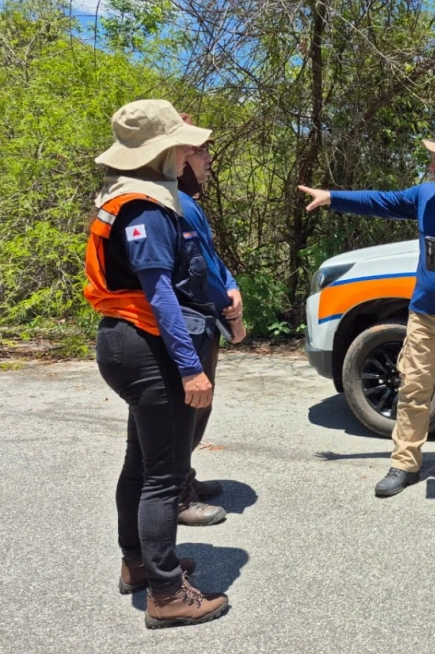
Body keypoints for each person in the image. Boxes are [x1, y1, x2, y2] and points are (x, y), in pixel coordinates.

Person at [298, 130, 435, 497]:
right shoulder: (425, 196)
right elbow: (380, 201)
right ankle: (404, 463)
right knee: (414, 390)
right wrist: (332, 197)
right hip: (424, 315)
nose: (431, 168)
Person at [85, 99, 232, 627]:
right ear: (161, 152)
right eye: (180, 145)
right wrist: (191, 367)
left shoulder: (124, 196)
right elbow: (161, 294)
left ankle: (138, 565)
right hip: (146, 346)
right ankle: (167, 594)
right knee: (164, 476)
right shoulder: (146, 207)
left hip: (124, 342)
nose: (186, 153)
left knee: (141, 463)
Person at [175, 114, 246, 527]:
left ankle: (183, 476)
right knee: (187, 410)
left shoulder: (189, 202)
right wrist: (232, 315)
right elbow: (199, 273)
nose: (208, 159)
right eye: (200, 150)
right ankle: (176, 495)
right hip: (190, 323)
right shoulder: (178, 204)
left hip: (203, 320)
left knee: (197, 408)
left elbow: (213, 260)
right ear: (180, 155)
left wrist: (232, 288)